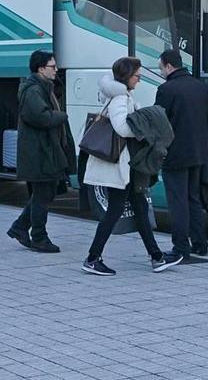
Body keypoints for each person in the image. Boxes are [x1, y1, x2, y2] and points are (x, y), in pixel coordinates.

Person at [81, 57, 181, 276]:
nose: (140, 79)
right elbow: (122, 128)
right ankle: (92, 258)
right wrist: (142, 121)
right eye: (137, 75)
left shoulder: (122, 95)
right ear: (127, 76)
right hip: (119, 167)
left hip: (126, 166)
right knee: (115, 211)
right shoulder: (119, 98)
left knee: (141, 209)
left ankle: (156, 257)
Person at [6, 50, 76, 253]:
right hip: (39, 152)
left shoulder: (43, 87)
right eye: (52, 67)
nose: (56, 70)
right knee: (42, 195)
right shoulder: (33, 91)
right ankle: (38, 237)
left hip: (44, 151)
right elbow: (41, 117)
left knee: (43, 193)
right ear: (40, 68)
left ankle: (20, 227)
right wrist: (61, 116)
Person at [154, 50, 208, 261]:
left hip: (175, 153)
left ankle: (180, 246)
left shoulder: (166, 90)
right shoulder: (201, 87)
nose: (161, 72)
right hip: (198, 152)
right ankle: (200, 243)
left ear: (169, 66)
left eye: (161, 68)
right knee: (193, 198)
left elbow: (160, 122)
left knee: (177, 201)